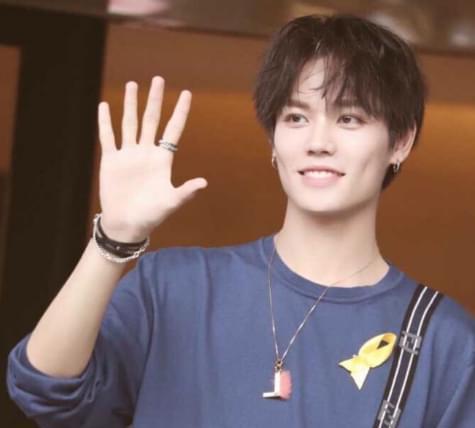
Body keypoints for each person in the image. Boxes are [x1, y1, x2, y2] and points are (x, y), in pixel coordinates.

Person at [6, 14, 475, 428]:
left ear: (400, 141)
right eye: (296, 117)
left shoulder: (446, 342)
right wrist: (114, 240)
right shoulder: (175, 286)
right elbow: (44, 388)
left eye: (349, 119)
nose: (318, 141)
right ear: (273, 140)